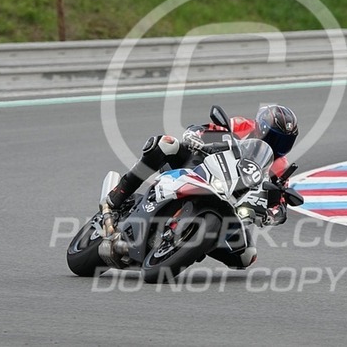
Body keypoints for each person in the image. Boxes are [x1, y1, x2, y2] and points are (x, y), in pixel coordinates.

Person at [104, 104, 299, 268]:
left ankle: (193, 244)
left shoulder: (281, 166)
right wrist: (195, 136)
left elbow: (280, 201)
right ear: (262, 127)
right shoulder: (242, 126)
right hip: (200, 164)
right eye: (275, 137)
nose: (278, 144)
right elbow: (207, 129)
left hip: (233, 201)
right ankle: (118, 195)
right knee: (165, 143)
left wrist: (273, 214)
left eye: (284, 141)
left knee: (246, 256)